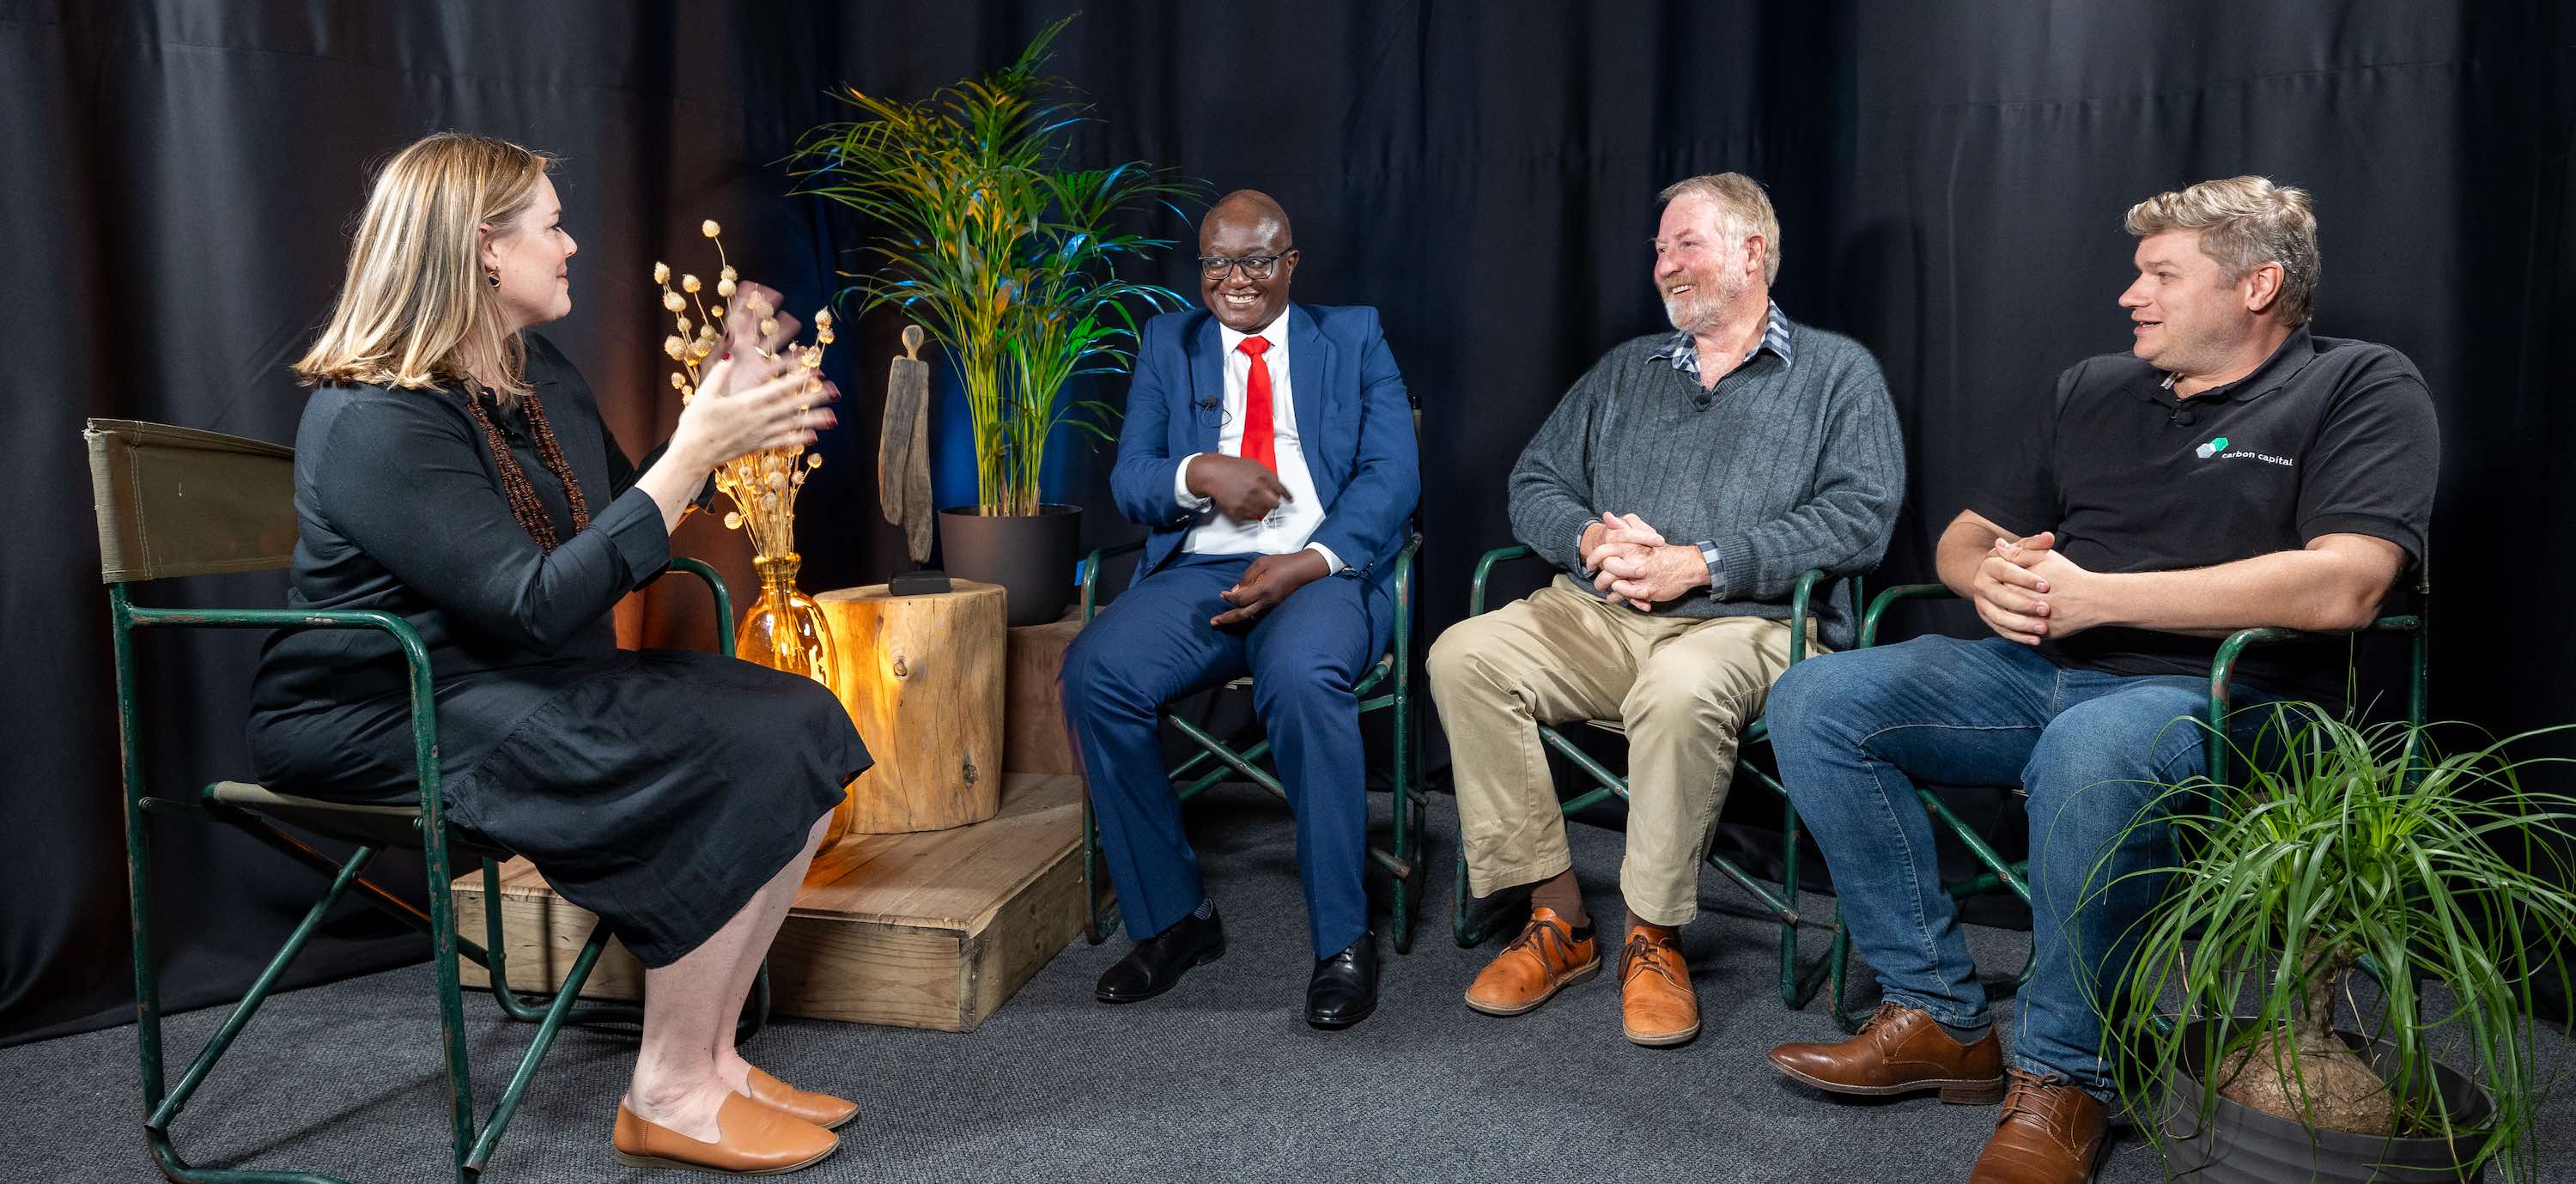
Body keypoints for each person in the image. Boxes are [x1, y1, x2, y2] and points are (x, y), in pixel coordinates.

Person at [1761, 176, 2437, 1184]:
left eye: (2162, 273)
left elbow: (2348, 582)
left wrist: (2100, 597)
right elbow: (1966, 534)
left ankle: (2066, 1074)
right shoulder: (2094, 387)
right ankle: (1942, 1015)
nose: (2131, 294)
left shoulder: (2360, 385)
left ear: (2258, 285)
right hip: (2039, 670)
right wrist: (1982, 578)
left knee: (2095, 745)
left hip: (2229, 695)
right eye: (2137, 272)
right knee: (1815, 696)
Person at [247, 133, 868, 1175]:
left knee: (801, 720)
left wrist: (734, 422)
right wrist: (691, 452)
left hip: (521, 680)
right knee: (711, 757)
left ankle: (710, 1061)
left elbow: (623, 528)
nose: (573, 243)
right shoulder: (375, 419)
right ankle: (667, 1088)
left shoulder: (542, 379)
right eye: (551, 224)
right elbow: (535, 603)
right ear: (484, 251)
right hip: (390, 706)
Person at [1425, 173, 1905, 1047]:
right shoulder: (1626, 371)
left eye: (1685, 245)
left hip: (1753, 626)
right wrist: (1590, 542)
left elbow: (1859, 519)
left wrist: (1703, 563)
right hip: (1602, 615)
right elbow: (1535, 480)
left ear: (1751, 251)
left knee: (1680, 684)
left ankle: (1652, 932)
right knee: (1465, 652)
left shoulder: (1838, 374)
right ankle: (1558, 916)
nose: (1664, 267)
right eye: (1658, 251)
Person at [1058, 190, 1420, 1029]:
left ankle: (1341, 938)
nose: (1235, 280)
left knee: (1299, 677)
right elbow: (1132, 478)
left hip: (1322, 570)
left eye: (1256, 260)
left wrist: (1309, 560)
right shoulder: (1169, 342)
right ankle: (1175, 918)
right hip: (1204, 573)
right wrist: (1198, 471)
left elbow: (1393, 474)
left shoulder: (1354, 335)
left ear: (1289, 263)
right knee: (1095, 674)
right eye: (1217, 262)